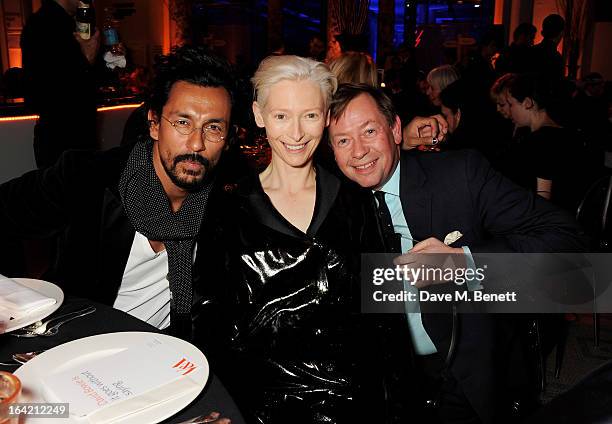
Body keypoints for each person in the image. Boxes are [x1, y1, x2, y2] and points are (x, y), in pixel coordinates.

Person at [327, 83, 586, 423]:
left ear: (394, 129)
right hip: (383, 380)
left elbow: (567, 238)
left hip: (461, 369)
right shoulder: (334, 201)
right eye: (343, 140)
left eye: (370, 131)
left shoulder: (459, 175)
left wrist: (464, 262)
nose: (358, 151)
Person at [193, 56, 409, 423]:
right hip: (262, 406)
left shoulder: (355, 200)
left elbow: (386, 315)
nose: (295, 133)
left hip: (357, 403)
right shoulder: (227, 208)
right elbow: (208, 319)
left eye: (309, 115)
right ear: (259, 115)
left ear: (326, 117)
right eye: (281, 116)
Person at [0, 45, 241, 341]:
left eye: (213, 128)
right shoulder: (86, 179)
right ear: (154, 124)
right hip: (76, 342)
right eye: (182, 122)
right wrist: (13, 307)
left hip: (167, 350)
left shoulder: (227, 201)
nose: (196, 144)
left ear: (227, 139)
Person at [20, 0, 101, 168]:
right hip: (63, 141)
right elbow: (43, 93)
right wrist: (87, 59)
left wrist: (111, 60)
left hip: (73, 138)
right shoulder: (44, 25)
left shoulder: (71, 22)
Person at [505, 73, 596, 212]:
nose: (509, 111)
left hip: (551, 224)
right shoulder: (570, 135)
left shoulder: (538, 142)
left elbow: (543, 199)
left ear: (528, 103)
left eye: (511, 104)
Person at [529, 14, 566, 79]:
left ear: (542, 32)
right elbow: (559, 85)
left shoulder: (530, 51)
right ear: (561, 33)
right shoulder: (557, 58)